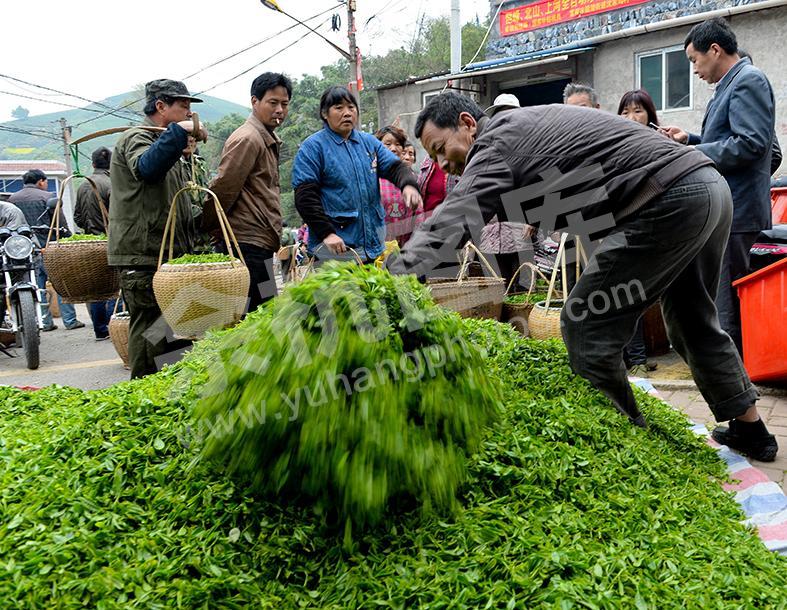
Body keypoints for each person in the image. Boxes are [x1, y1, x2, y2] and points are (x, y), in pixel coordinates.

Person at [388, 92, 778, 462]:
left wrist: (397, 277)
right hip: (704, 188)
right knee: (692, 320)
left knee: (584, 322)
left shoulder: (497, 140)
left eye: (440, 148)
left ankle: (627, 443)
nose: (441, 164)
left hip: (670, 198)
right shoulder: (522, 129)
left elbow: (459, 216)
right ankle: (751, 430)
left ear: (467, 123)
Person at [662, 18, 776, 358]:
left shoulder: (747, 80)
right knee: (722, 299)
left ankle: (737, 387)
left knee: (728, 303)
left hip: (739, 212)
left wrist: (692, 153)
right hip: (730, 209)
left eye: (695, 60)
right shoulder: (729, 85)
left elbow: (753, 144)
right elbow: (728, 140)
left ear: (715, 50)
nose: (694, 71)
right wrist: (690, 139)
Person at [108, 79, 207, 379]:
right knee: (149, 324)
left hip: (164, 253)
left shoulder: (169, 145)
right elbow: (147, 169)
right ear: (161, 106)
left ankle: (161, 388)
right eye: (183, 107)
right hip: (143, 252)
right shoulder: (136, 137)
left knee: (164, 326)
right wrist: (181, 132)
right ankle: (142, 390)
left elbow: (174, 201)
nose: (190, 114)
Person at [292, 86, 422, 262]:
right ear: (324, 113)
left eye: (351, 107)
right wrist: (327, 233)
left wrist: (408, 185)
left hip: (372, 247)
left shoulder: (368, 143)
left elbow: (395, 168)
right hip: (334, 251)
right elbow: (305, 196)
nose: (347, 113)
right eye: (339, 108)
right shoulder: (313, 148)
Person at [204, 72, 291, 313]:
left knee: (263, 315)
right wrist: (211, 228)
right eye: (272, 103)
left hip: (259, 243)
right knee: (251, 319)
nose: (279, 110)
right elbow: (223, 189)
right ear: (255, 102)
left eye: (284, 104)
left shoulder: (267, 137)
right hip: (246, 244)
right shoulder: (248, 138)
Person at [616, 89, 662, 375]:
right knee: (625, 295)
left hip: (651, 228)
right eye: (625, 112)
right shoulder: (614, 145)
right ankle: (634, 360)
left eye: (638, 111)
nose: (631, 118)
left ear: (650, 116)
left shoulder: (659, 143)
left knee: (637, 296)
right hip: (622, 228)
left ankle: (637, 359)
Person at [8, 169, 83, 331]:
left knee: (35, 286)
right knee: (60, 284)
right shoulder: (47, 197)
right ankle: (70, 321)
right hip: (49, 249)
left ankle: (45, 322)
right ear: (40, 181)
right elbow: (60, 224)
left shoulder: (12, 200)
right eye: (46, 181)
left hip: (24, 252)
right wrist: (68, 238)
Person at [479, 94, 537, 287]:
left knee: (523, 279)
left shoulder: (529, 147)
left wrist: (533, 219)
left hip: (521, 225)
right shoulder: (488, 147)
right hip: (493, 228)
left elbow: (539, 183)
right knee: (497, 282)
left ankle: (520, 315)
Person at [74, 147, 116, 341]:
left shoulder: (83, 185)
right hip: (111, 240)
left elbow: (78, 217)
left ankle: (100, 330)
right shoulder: (112, 183)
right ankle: (114, 327)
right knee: (115, 286)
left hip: (90, 242)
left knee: (97, 288)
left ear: (92, 164)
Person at [375, 125, 418, 246]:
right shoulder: (370, 177)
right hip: (376, 247)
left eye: (398, 144)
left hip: (406, 246)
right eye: (387, 144)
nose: (393, 148)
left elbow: (418, 215)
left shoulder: (411, 179)